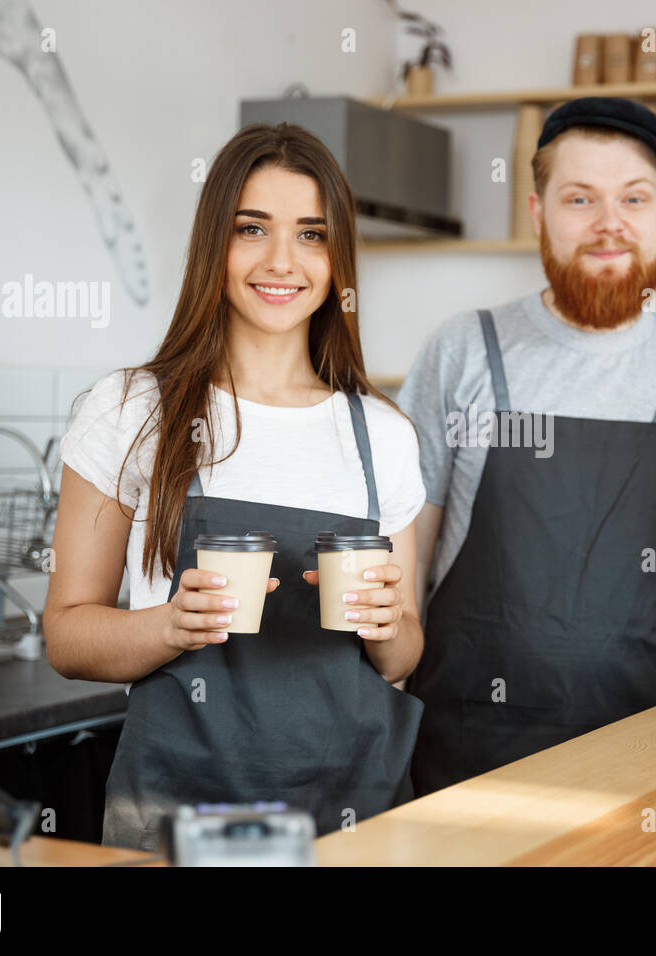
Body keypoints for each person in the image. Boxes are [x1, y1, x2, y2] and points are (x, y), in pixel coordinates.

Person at [400, 97, 656, 795]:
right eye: (580, 198)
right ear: (538, 212)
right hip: (463, 741)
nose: (608, 223)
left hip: (640, 740)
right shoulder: (465, 349)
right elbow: (409, 543)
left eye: (634, 198)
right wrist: (382, 687)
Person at [44, 123, 426, 849]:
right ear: (213, 243)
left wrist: (386, 626)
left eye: (312, 235)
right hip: (180, 814)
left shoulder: (382, 432)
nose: (283, 260)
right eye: (253, 229)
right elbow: (66, 633)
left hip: (354, 812)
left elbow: (404, 658)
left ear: (338, 258)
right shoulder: (129, 411)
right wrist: (168, 626)